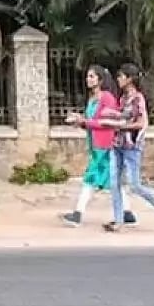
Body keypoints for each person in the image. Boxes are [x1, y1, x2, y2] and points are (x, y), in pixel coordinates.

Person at [60, 65, 134, 228]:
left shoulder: (106, 98)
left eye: (92, 76)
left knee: (90, 179)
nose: (88, 79)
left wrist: (84, 122)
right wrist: (80, 122)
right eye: (88, 76)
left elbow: (106, 123)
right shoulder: (93, 98)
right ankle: (128, 214)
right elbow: (91, 122)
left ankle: (78, 214)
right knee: (113, 181)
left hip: (105, 145)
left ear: (100, 80)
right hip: (96, 144)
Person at [103, 63, 154, 233]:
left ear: (130, 79)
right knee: (114, 183)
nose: (118, 79)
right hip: (118, 144)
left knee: (135, 185)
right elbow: (124, 117)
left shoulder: (138, 99)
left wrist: (118, 124)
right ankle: (118, 221)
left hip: (132, 146)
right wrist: (113, 117)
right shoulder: (123, 99)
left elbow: (141, 123)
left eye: (121, 76)